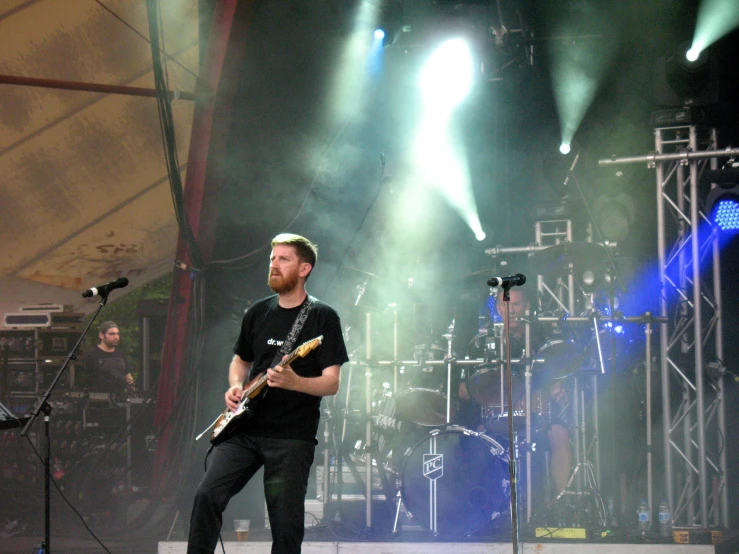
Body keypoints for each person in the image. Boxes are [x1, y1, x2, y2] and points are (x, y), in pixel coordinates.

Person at [187, 233, 349, 554]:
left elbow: (331, 383)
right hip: (244, 429)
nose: (274, 265)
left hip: (291, 437)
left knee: (286, 526)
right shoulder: (258, 312)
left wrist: (296, 382)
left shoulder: (322, 317)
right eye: (272, 259)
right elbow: (240, 361)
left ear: (305, 269)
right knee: (206, 497)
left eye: (283, 259)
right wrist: (235, 386)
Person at [80, 321, 135, 393]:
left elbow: (128, 376)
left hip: (119, 399)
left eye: (117, 334)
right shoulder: (91, 354)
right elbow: (84, 380)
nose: (116, 337)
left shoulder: (121, 354)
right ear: (101, 335)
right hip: (97, 398)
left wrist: (133, 391)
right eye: (112, 334)